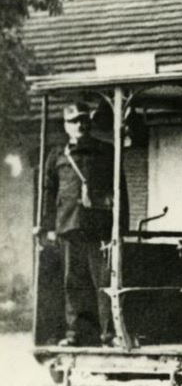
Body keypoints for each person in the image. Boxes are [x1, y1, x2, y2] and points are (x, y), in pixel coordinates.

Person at [39, 100, 126, 347]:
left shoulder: (106, 151)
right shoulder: (57, 155)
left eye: (84, 120)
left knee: (104, 282)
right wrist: (48, 227)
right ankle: (76, 334)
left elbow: (120, 189)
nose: (80, 125)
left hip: (99, 228)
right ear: (66, 126)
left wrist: (121, 226)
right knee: (74, 283)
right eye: (74, 121)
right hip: (69, 227)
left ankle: (109, 334)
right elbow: (48, 192)